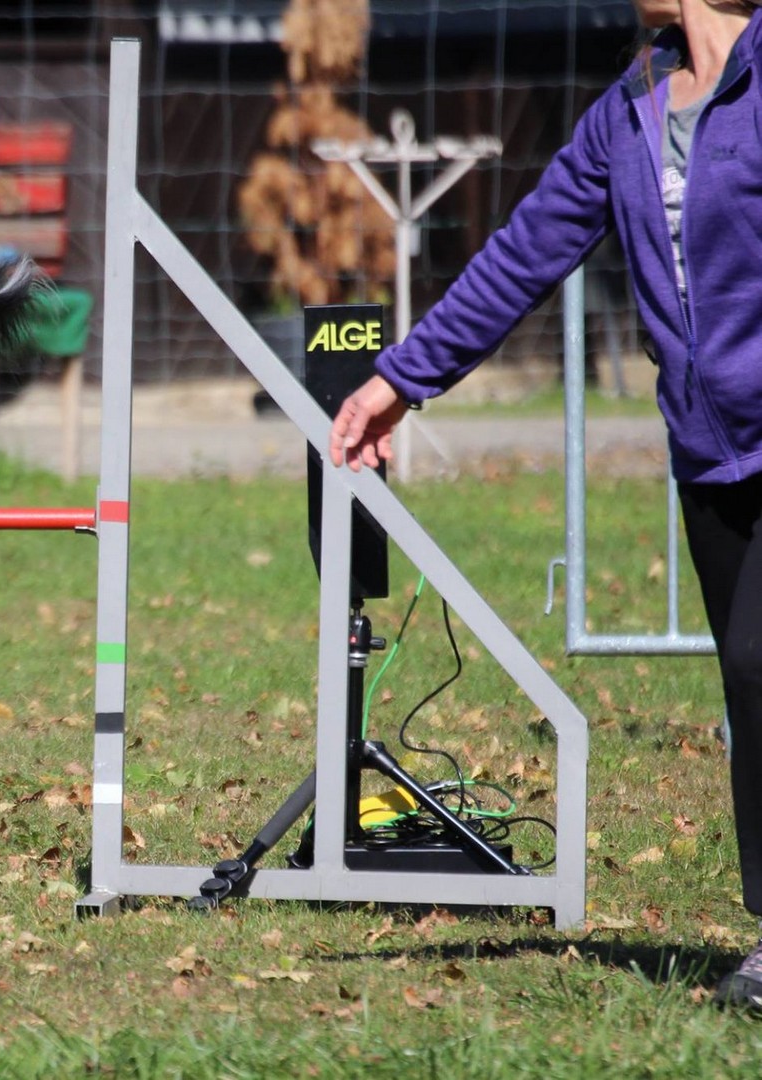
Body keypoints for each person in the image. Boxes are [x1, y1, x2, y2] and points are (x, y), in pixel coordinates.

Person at [329, 0, 762, 1010]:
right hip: (709, 449)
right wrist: (401, 379)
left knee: (757, 659)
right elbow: (525, 251)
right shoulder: (631, 107)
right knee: (749, 693)